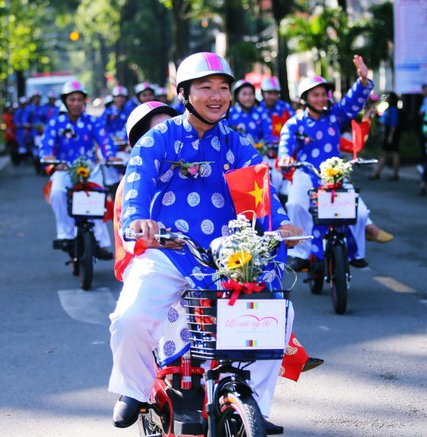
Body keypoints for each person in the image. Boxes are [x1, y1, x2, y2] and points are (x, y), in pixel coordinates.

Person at [108, 52, 302, 434]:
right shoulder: (158, 138)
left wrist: (280, 225)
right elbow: (137, 181)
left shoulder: (238, 142)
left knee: (277, 317)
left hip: (229, 257)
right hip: (169, 252)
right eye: (205, 88)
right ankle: (135, 388)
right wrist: (136, 221)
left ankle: (254, 406)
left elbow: (262, 190)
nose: (217, 96)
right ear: (184, 93)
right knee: (129, 318)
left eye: (224, 88)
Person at [278, 55, 390, 269]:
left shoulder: (335, 115)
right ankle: (301, 254)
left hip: (335, 174)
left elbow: (352, 101)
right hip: (305, 174)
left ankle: (356, 252)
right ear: (305, 98)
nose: (321, 98)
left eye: (323, 94)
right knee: (294, 204)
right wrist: (285, 156)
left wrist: (363, 81)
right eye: (315, 95)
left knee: (362, 212)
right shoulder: (295, 123)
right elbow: (286, 142)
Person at [39, 81, 118, 260]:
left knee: (98, 198)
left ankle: (101, 241)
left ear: (84, 101)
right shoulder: (56, 122)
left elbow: (105, 140)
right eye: (72, 99)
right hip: (64, 169)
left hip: (90, 169)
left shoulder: (93, 122)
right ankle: (65, 234)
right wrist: (50, 159)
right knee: (57, 191)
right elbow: (46, 146)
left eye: (79, 99)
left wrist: (111, 156)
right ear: (65, 101)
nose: (75, 103)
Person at [369, 92, 400, 180]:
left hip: (391, 133)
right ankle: (378, 172)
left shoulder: (393, 110)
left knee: (391, 152)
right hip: (388, 132)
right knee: (387, 153)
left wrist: (390, 135)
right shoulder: (388, 108)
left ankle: (389, 173)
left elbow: (394, 123)